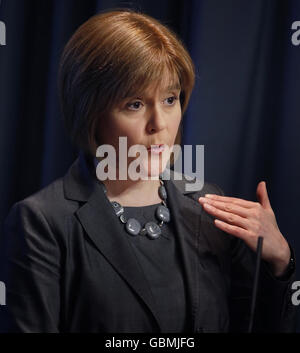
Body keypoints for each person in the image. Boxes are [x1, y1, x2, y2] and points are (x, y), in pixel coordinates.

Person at [0, 9, 297, 333]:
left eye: (170, 99)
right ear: (90, 113)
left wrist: (279, 262)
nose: (160, 124)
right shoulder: (41, 223)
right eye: (135, 104)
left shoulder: (209, 204)